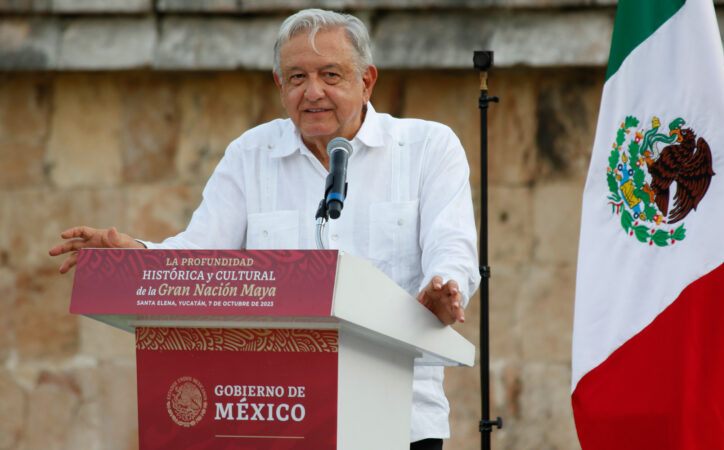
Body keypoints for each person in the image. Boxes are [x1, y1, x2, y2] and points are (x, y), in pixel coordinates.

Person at [49, 9, 478, 449]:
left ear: (366, 80)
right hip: (276, 417)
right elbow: (198, 257)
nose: (312, 92)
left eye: (330, 74)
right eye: (296, 78)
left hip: (399, 420)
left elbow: (453, 248)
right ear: (279, 86)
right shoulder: (250, 154)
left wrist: (444, 290)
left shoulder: (427, 148)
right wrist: (135, 253)